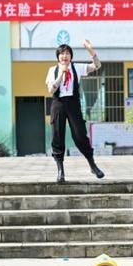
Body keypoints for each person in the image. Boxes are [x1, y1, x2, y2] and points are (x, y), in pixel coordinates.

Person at [45, 40, 104, 182]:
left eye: (67, 53)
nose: (64, 56)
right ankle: (60, 171)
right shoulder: (52, 70)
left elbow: (97, 66)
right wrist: (61, 75)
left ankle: (92, 165)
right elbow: (51, 89)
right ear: (58, 56)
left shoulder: (77, 67)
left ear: (71, 56)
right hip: (58, 104)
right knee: (57, 136)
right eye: (62, 54)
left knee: (80, 135)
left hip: (73, 104)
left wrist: (91, 51)